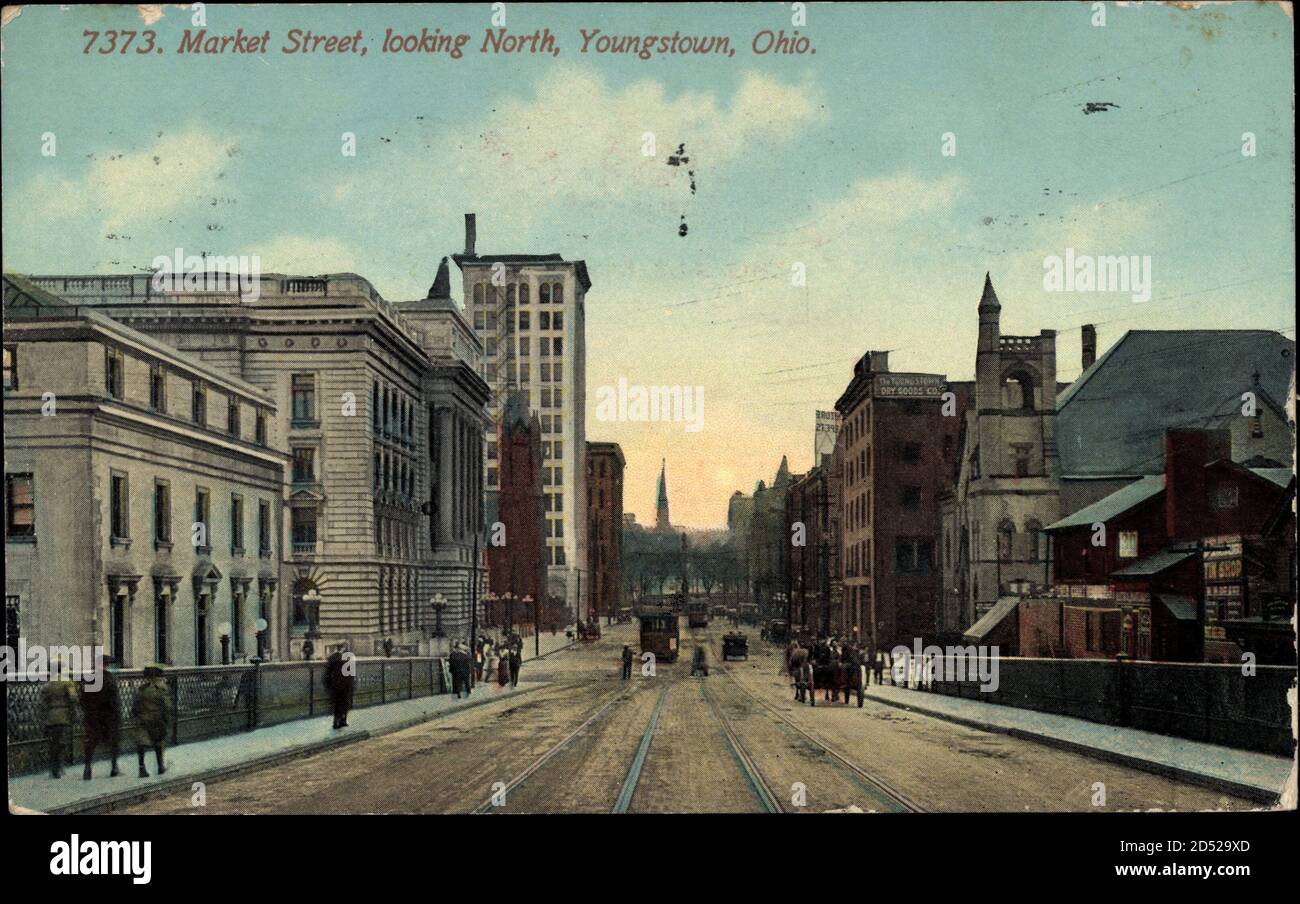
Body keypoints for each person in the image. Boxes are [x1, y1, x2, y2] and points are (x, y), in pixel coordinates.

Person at [80, 653, 122, 780]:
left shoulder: (89, 678)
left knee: (91, 742)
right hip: (108, 716)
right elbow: (114, 700)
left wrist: (87, 711)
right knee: (114, 741)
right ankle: (114, 767)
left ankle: (87, 768)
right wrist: (117, 715)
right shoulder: (110, 679)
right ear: (106, 665)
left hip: (92, 716)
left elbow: (83, 698)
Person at [131, 665, 173, 778]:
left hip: (142, 720)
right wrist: (167, 720)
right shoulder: (162, 689)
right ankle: (160, 766)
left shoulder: (141, 689)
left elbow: (135, 706)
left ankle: (141, 768)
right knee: (158, 743)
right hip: (157, 720)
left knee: (141, 745)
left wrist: (136, 717)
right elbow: (167, 706)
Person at [41, 659, 78, 779]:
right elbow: (73, 699)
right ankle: (60, 767)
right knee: (62, 743)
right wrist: (73, 713)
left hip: (51, 716)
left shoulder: (47, 685)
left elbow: (42, 703)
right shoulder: (67, 682)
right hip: (64, 716)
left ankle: (53, 769)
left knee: (53, 743)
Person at [324, 644, 355, 729]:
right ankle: (341, 720)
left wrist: (328, 684)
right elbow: (351, 674)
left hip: (336, 685)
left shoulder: (332, 658)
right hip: (344, 685)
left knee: (338, 704)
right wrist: (352, 684)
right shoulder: (348, 658)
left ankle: (337, 721)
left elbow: (327, 673)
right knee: (343, 703)